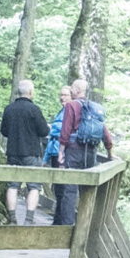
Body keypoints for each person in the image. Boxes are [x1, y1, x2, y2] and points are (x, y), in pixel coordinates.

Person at [54, 78, 113, 226]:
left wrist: (61, 152)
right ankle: (84, 225)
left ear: (76, 90)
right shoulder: (95, 107)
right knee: (87, 189)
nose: (71, 90)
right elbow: (104, 131)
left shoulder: (71, 106)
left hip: (73, 151)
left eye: (72, 88)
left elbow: (66, 130)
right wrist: (110, 152)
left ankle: (67, 227)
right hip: (90, 152)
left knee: (70, 189)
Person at [0, 79, 50, 224]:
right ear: (31, 92)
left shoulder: (9, 109)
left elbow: (4, 131)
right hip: (31, 153)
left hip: (13, 153)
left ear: (18, 92)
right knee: (34, 186)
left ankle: (13, 218)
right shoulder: (34, 110)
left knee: (12, 186)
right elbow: (43, 131)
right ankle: (28, 219)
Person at [45, 85, 77, 221]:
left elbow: (63, 130)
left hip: (63, 153)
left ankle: (61, 220)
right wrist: (45, 158)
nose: (62, 97)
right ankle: (57, 218)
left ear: (72, 96)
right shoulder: (62, 111)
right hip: (54, 151)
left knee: (63, 188)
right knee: (57, 188)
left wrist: (51, 127)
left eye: (65, 95)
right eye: (61, 95)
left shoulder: (70, 111)